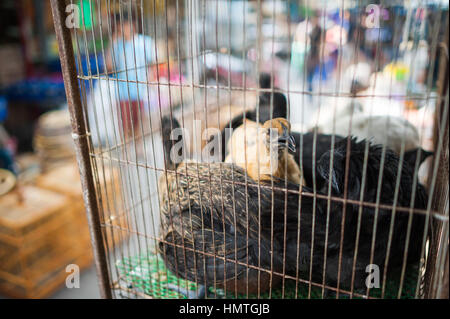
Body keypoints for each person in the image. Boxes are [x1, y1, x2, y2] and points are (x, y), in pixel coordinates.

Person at [106, 11, 154, 142]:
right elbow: (109, 66)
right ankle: (127, 150)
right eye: (122, 25)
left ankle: (138, 150)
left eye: (128, 24)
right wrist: (113, 42)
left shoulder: (145, 42)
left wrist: (150, 82)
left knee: (140, 123)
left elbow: (152, 65)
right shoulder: (117, 44)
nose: (126, 28)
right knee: (125, 123)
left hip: (140, 90)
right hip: (122, 91)